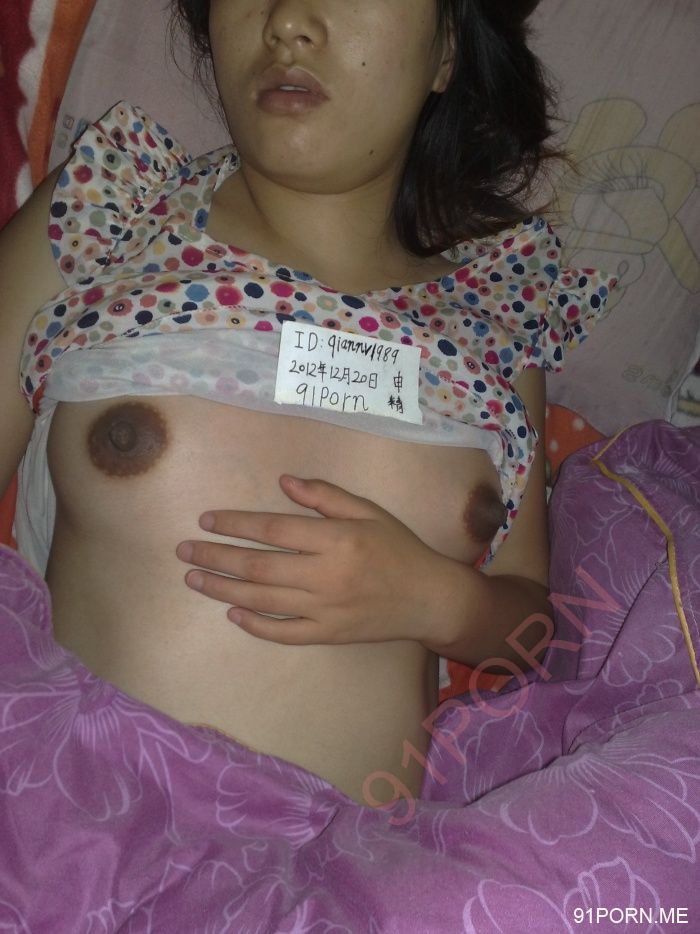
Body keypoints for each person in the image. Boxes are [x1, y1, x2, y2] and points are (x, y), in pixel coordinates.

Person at [0, 0, 616, 812]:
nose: (289, 20)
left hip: (360, 864)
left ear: (446, 49)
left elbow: (532, 630)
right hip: (75, 831)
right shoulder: (106, 215)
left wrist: (438, 600)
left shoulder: (498, 317)